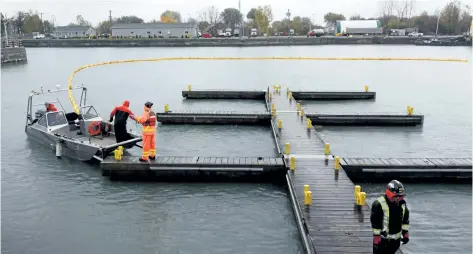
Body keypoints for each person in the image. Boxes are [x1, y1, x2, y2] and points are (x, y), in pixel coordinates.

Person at [371, 180, 410, 254]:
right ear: (389, 193)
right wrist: (376, 236)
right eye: (396, 196)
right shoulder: (378, 204)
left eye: (400, 196)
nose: (398, 198)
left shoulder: (402, 204)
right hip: (382, 240)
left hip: (395, 241)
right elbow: (375, 221)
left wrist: (405, 233)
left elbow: (405, 220)